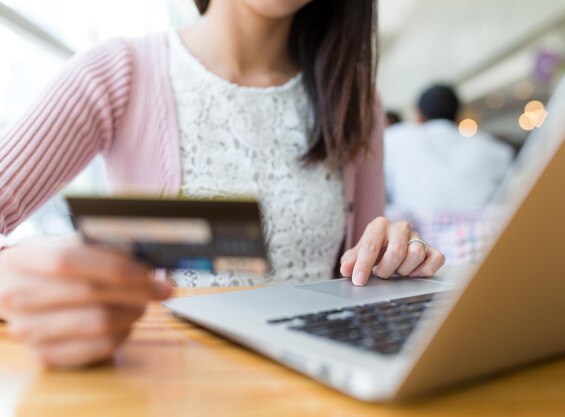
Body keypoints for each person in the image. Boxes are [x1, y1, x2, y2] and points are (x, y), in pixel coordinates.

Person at [0, 0, 444, 369]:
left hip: (319, 390)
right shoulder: (118, 71)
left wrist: (394, 258)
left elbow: (362, 278)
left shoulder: (356, 101)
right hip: (163, 388)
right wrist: (15, 281)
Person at [384, 84, 514, 222]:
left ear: (419, 115)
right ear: (459, 115)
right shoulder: (497, 150)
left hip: (417, 239)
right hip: (487, 238)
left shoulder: (394, 139)